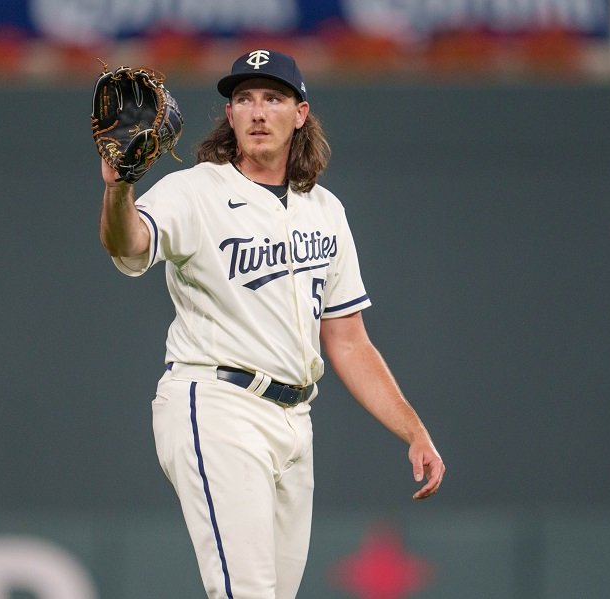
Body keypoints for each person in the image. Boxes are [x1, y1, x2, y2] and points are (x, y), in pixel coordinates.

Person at [97, 49, 445, 599]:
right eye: (244, 99)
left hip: (294, 420)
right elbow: (129, 245)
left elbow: (348, 341)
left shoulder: (324, 209)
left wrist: (412, 428)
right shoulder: (196, 190)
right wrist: (119, 188)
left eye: (273, 98)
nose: (258, 111)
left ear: (300, 114)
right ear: (230, 116)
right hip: (216, 403)